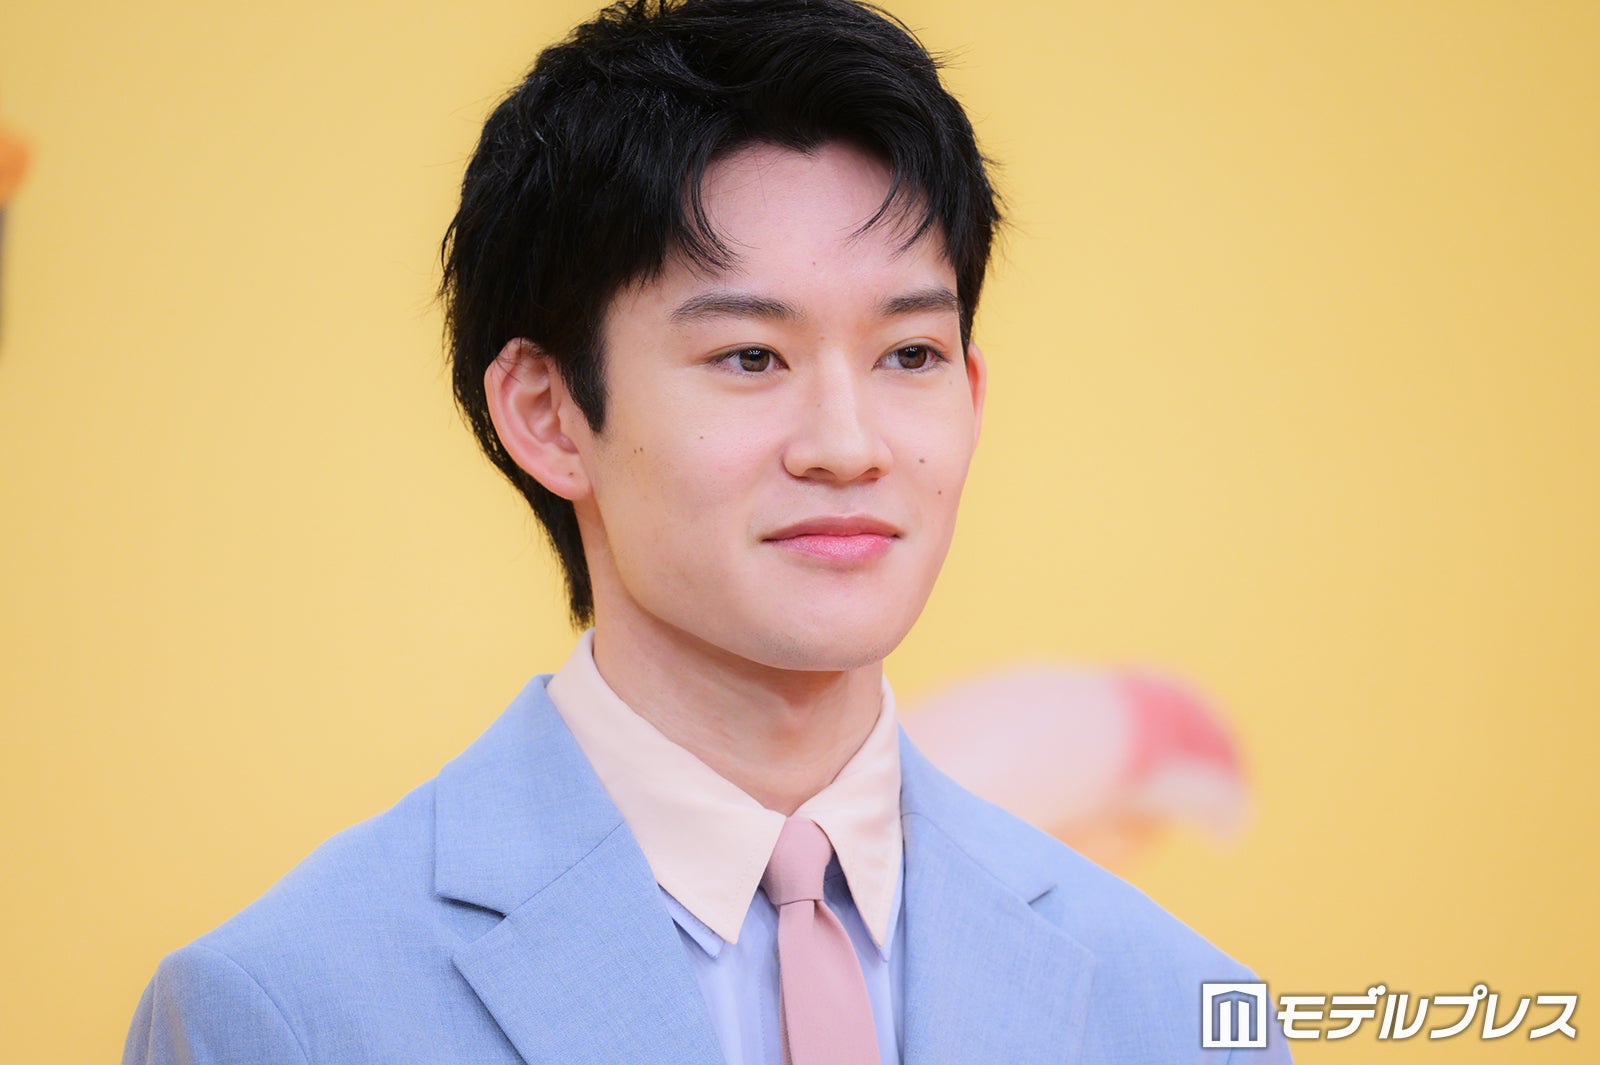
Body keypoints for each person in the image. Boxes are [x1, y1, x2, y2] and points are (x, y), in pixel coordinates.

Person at [124, 1, 1290, 1062]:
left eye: (908, 355)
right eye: (749, 357)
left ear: (972, 395)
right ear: (547, 413)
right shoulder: (283, 1011)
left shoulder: (1182, 1011)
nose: (847, 444)